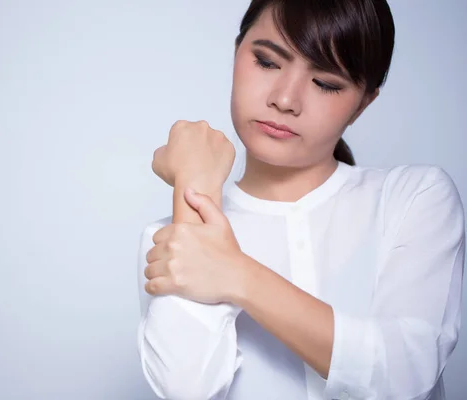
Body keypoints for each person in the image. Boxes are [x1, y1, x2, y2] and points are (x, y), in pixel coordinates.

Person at [136, 0, 465, 399]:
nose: (286, 99)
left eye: (326, 83)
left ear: (363, 104)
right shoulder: (173, 235)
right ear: (237, 51)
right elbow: (186, 389)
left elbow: (406, 371)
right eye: (267, 62)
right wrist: (194, 185)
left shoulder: (414, 198)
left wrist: (236, 275)